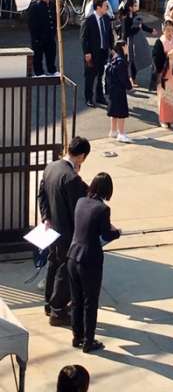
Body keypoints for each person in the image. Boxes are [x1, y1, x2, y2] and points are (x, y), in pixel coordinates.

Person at [38, 136, 90, 326]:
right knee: (64, 271)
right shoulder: (71, 178)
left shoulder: (51, 167)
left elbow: (42, 195)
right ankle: (58, 311)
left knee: (53, 265)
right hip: (67, 232)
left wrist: (46, 217)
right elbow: (78, 209)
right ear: (82, 156)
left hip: (52, 227)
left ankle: (49, 303)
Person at [67, 173, 120, 353]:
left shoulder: (80, 202)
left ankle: (77, 337)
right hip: (89, 260)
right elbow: (106, 234)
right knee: (90, 302)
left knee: (76, 300)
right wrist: (117, 232)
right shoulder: (103, 209)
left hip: (73, 256)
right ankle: (89, 341)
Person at [80, 0, 114, 108]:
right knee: (90, 76)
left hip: (103, 52)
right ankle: (89, 98)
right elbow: (84, 38)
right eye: (105, 6)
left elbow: (109, 35)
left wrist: (112, 48)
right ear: (98, 7)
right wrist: (87, 52)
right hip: (92, 53)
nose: (107, 8)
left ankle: (100, 97)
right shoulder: (88, 21)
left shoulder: (106, 18)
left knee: (100, 75)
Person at [152, 20, 173, 128]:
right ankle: (163, 119)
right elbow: (156, 59)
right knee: (163, 96)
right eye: (167, 30)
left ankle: (172, 119)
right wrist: (167, 56)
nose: (169, 32)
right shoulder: (160, 42)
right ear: (163, 30)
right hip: (164, 72)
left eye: (171, 30)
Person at [120, 0, 157, 86]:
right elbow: (126, 32)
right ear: (130, 7)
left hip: (138, 40)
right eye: (135, 5)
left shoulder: (135, 15)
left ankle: (133, 77)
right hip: (130, 41)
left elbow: (142, 25)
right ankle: (131, 78)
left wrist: (151, 30)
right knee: (131, 60)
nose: (137, 7)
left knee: (138, 57)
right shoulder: (125, 18)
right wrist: (137, 28)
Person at [27, 0, 57, 77]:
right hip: (39, 37)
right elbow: (31, 24)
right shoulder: (35, 6)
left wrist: (54, 33)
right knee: (38, 56)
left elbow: (55, 20)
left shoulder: (52, 5)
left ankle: (52, 70)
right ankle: (39, 72)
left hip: (50, 36)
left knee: (51, 54)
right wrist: (35, 38)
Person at [106, 40, 133, 143]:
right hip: (119, 90)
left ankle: (113, 131)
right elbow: (124, 77)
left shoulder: (112, 59)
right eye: (126, 46)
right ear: (123, 47)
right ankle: (121, 133)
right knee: (121, 112)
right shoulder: (121, 62)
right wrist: (129, 87)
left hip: (112, 89)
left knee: (114, 111)